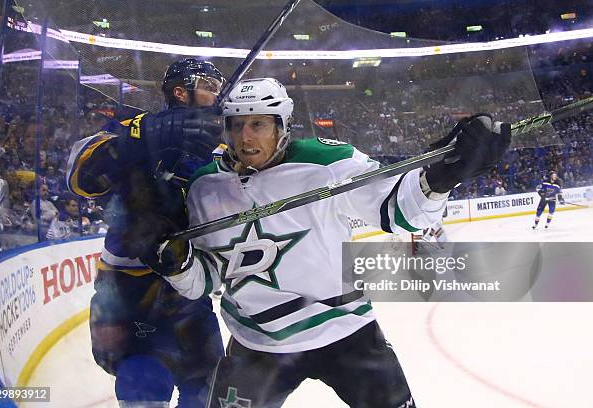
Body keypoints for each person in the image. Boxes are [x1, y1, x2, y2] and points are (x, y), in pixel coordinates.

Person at [142, 78, 512, 407]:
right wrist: (177, 262)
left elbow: (402, 212)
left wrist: (447, 172)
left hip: (347, 332)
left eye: (258, 124)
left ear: (282, 126)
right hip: (257, 346)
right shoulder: (204, 187)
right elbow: (204, 280)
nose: (246, 137)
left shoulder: (330, 163)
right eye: (236, 125)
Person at [66, 58, 227, 408]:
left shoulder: (222, 148)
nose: (219, 96)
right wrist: (151, 135)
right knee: (143, 381)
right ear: (182, 91)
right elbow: (79, 177)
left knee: (209, 388)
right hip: (127, 291)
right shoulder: (134, 127)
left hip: (189, 292)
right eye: (211, 88)